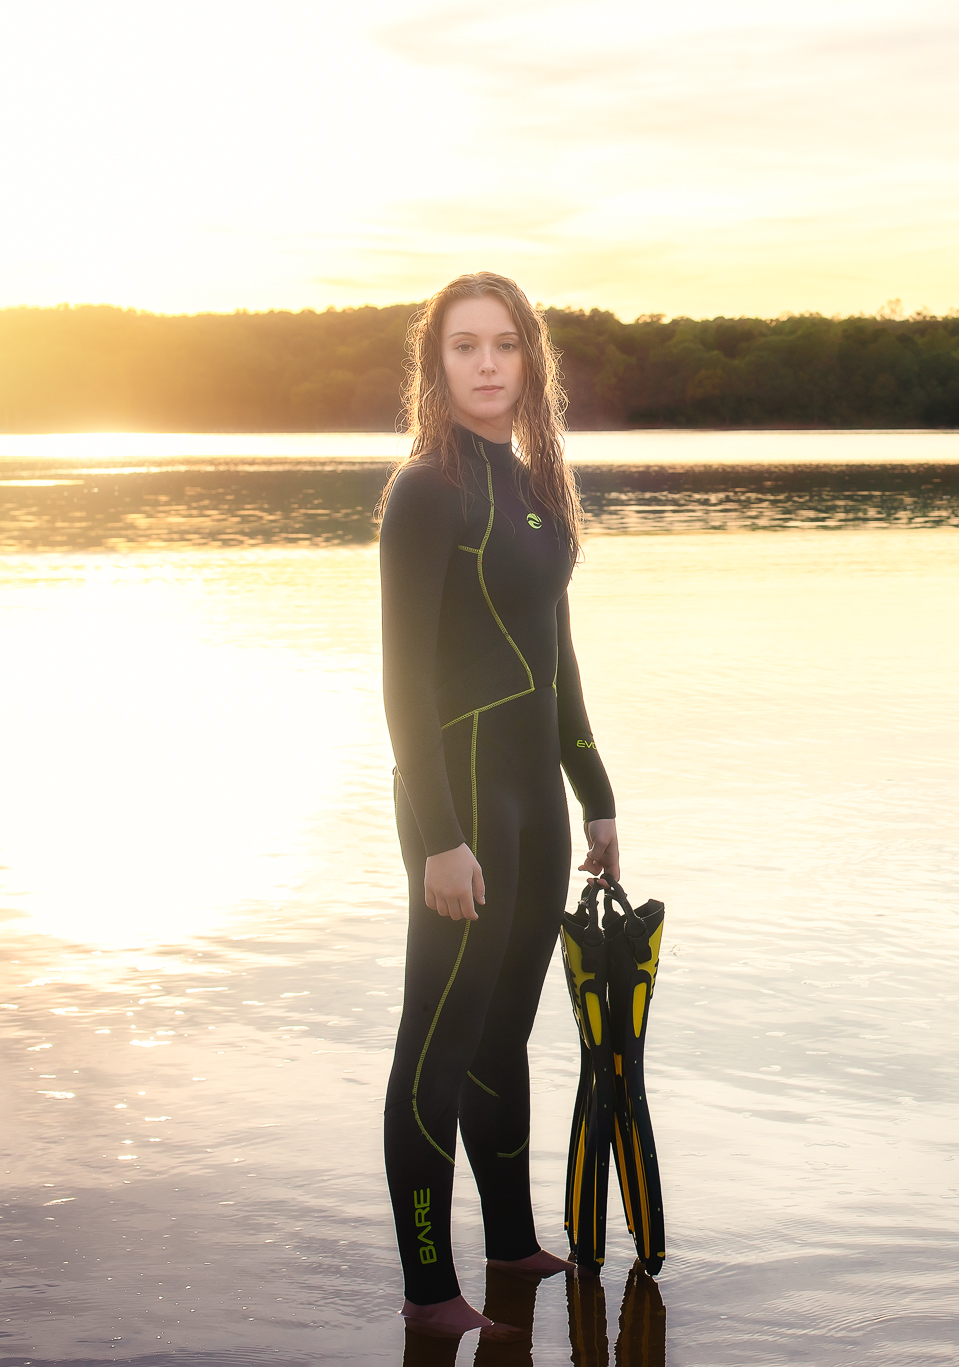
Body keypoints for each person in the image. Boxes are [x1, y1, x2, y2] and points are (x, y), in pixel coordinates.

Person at [377, 272, 620, 1336]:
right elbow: (404, 677)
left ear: (529, 360)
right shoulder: (426, 490)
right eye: (462, 346)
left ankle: (511, 1243)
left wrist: (597, 795)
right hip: (460, 801)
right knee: (436, 1039)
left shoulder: (529, 486)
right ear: (436, 366)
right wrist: (439, 838)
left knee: (502, 1035)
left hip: (534, 800)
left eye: (503, 344)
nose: (485, 363)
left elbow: (554, 659)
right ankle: (430, 1290)